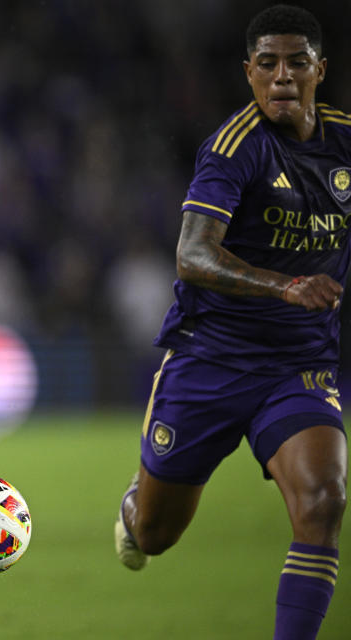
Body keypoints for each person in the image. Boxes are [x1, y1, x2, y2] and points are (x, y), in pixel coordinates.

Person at [113, 5, 348, 639]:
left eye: (297, 62)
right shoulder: (234, 148)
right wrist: (288, 285)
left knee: (323, 503)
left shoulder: (346, 143)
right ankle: (134, 511)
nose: (281, 77)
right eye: (267, 63)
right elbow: (192, 256)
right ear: (248, 72)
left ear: (319, 71)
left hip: (297, 367)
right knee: (155, 537)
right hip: (209, 361)